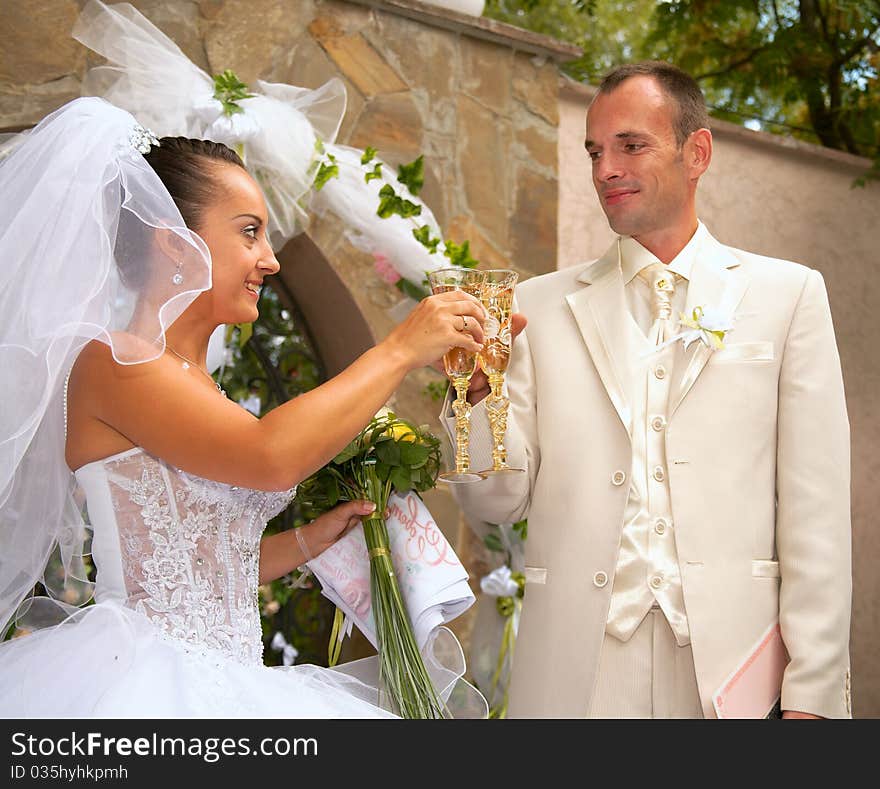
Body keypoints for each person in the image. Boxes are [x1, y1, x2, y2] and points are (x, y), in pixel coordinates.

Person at [0, 96, 486, 717]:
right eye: (249, 231)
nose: (270, 259)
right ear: (175, 244)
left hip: (229, 676)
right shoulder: (113, 363)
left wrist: (310, 540)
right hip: (146, 683)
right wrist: (397, 350)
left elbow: (204, 567)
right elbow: (270, 457)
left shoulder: (197, 384)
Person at [443, 61, 851, 718]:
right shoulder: (535, 307)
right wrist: (475, 395)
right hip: (576, 675)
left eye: (630, 145)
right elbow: (495, 502)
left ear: (698, 152)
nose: (605, 168)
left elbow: (817, 519)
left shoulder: (788, 297)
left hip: (733, 677)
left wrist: (814, 695)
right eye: (594, 151)